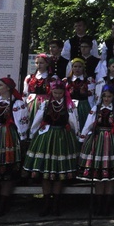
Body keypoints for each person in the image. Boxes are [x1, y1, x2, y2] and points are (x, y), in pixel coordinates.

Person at [22, 80, 80, 216]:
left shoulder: (69, 105)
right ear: (51, 92)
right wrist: (32, 133)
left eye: (60, 93)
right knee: (46, 173)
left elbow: (73, 121)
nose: (58, 95)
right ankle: (46, 203)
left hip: (62, 138)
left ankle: (56, 205)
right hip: (46, 137)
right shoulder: (45, 104)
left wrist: (76, 136)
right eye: (55, 93)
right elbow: (37, 119)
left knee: (59, 174)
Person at [77, 85, 114, 216]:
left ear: (113, 97)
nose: (106, 99)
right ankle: (98, 205)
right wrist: (82, 138)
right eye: (104, 96)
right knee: (98, 176)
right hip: (97, 140)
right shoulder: (96, 108)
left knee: (110, 175)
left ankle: (107, 206)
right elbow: (88, 123)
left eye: (109, 96)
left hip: (111, 141)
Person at [0, 77, 29, 217]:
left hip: (9, 136)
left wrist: (22, 140)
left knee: (7, 172)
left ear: (8, 87)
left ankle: (3, 205)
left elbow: (22, 123)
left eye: (0, 85)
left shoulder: (17, 103)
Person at [23, 53, 54, 125]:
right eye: (37, 63)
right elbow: (25, 93)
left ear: (47, 64)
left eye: (41, 63)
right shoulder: (29, 77)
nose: (39, 65)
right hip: (32, 103)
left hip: (46, 103)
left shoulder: (52, 78)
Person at [66, 57, 96, 130]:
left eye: (80, 67)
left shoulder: (89, 80)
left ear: (83, 68)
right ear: (72, 68)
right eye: (75, 66)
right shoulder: (67, 81)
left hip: (84, 106)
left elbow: (91, 96)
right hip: (70, 106)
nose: (77, 69)